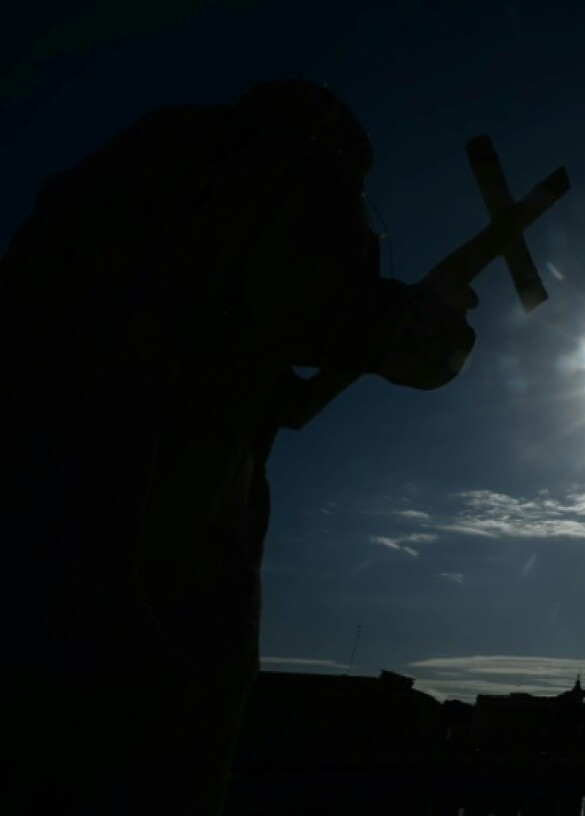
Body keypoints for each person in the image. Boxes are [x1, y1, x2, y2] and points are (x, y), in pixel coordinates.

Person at [0, 80, 483, 813]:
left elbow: (283, 398)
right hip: (150, 517)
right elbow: (331, 312)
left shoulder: (118, 191)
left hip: (34, 514)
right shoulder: (288, 165)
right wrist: (434, 321)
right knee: (144, 745)